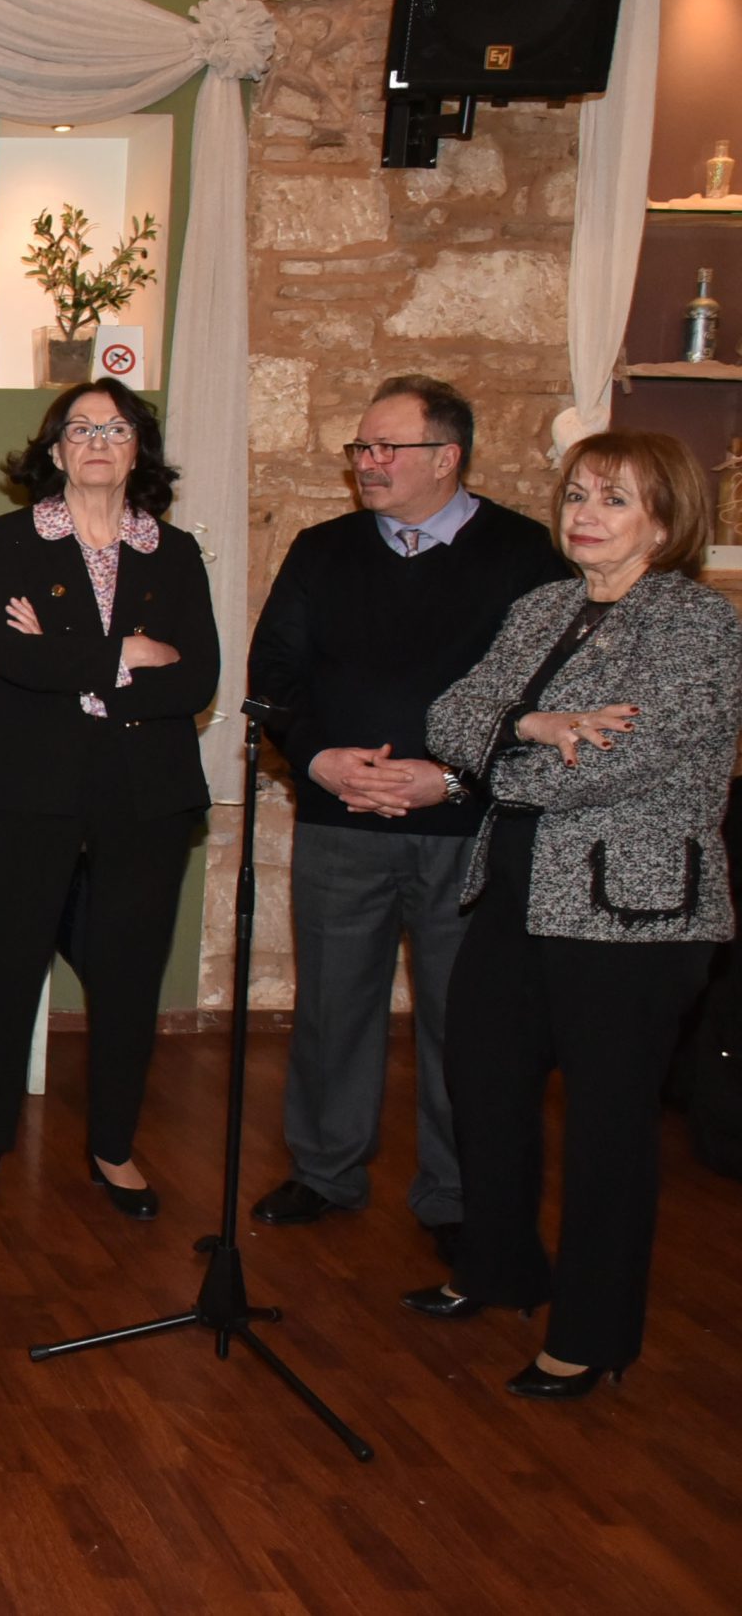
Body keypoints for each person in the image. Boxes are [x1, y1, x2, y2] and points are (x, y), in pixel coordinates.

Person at [405, 430, 740, 1399]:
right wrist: (531, 723)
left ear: (665, 523)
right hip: (514, 888)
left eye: (615, 500)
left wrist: (494, 762)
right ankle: (498, 1268)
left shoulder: (696, 625)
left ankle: (593, 1336)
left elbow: (616, 763)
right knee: (482, 1082)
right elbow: (447, 716)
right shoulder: (543, 607)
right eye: (578, 495)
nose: (585, 515)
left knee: (607, 1128)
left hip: (630, 913)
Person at [246, 376, 566, 1259]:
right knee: (331, 1008)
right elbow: (275, 673)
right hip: (340, 818)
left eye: (388, 447)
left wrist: (453, 778)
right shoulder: (322, 550)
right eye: (361, 447)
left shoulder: (525, 555)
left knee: (463, 1024)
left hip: (469, 830)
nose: (368, 462)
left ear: (448, 457)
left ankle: (457, 1193)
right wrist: (318, 757)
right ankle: (324, 1170)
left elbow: (544, 694)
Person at [0, 380, 218, 1217]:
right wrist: (130, 651)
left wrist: (74, 657)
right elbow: (13, 659)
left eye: (116, 427)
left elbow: (198, 678)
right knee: (9, 963)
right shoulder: (13, 537)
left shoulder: (176, 552)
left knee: (130, 973)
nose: (98, 440)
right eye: (80, 428)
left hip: (148, 789)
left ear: (139, 449)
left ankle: (114, 1146)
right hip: (29, 782)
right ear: (56, 449)